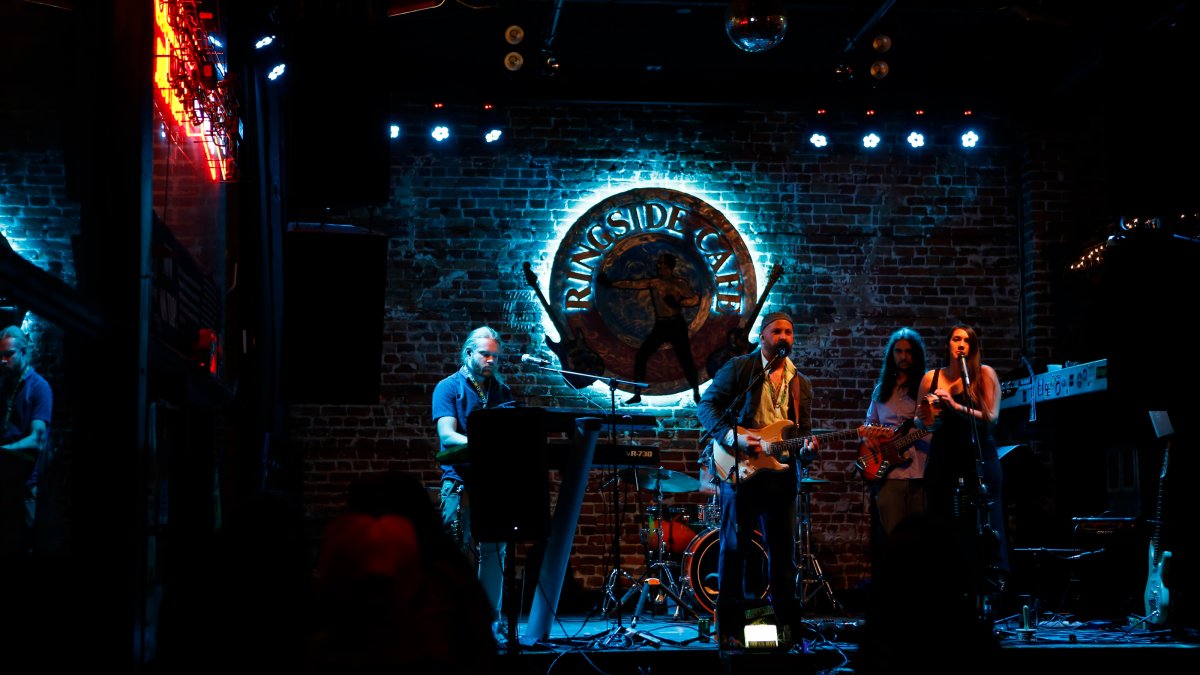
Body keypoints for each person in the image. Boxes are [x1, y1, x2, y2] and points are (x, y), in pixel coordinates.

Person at [695, 311, 815, 648]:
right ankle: (730, 633)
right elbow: (706, 406)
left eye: (790, 332)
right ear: (762, 336)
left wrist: (807, 449)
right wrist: (733, 438)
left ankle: (787, 635)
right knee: (734, 552)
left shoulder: (799, 383)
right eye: (777, 331)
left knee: (783, 557)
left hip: (781, 477)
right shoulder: (741, 369)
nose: (784, 337)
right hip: (742, 471)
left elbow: (802, 434)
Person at [915, 322, 1009, 608]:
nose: (961, 344)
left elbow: (992, 418)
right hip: (943, 457)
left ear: (973, 347)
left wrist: (955, 407)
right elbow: (919, 420)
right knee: (942, 523)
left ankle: (989, 596)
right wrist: (930, 416)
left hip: (978, 458)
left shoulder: (984, 374)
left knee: (984, 527)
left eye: (966, 341)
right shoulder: (931, 378)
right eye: (956, 339)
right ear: (948, 344)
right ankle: (946, 595)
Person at [431, 326, 515, 644]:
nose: (491, 360)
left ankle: (489, 622)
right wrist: (485, 443)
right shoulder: (448, 387)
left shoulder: (502, 391)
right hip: (459, 480)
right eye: (485, 354)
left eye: (495, 355)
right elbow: (447, 435)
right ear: (469, 353)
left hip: (492, 482)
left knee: (495, 552)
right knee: (454, 552)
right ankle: (450, 621)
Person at [858, 327, 931, 575]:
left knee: (922, 544)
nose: (903, 357)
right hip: (889, 477)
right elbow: (869, 428)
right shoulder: (881, 391)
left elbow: (933, 429)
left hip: (921, 474)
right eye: (898, 351)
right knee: (893, 541)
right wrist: (872, 441)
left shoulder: (925, 390)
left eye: (908, 352)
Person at [599, 251, 701, 404]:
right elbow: (632, 284)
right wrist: (611, 284)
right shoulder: (655, 282)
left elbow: (694, 299)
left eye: (661, 263)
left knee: (686, 359)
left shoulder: (679, 283)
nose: (658, 265)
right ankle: (637, 393)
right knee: (642, 355)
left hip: (676, 325)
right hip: (662, 325)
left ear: (668, 266)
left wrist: (679, 303)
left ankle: (696, 392)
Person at [0, 325, 52, 566]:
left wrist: (5, 450)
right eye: (0, 355)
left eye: (9, 354)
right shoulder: (5, 386)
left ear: (23, 352)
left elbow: (37, 439)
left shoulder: (38, 386)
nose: (3, 360)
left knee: (25, 550)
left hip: (25, 486)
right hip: (5, 482)